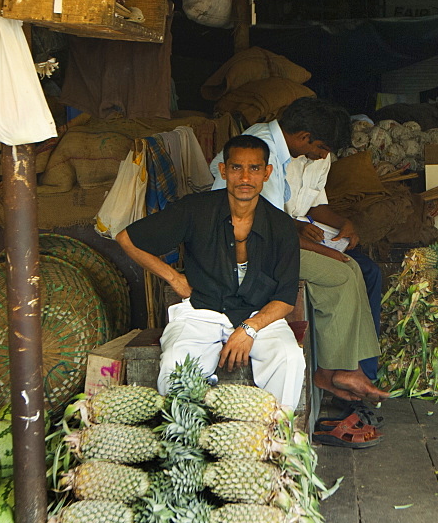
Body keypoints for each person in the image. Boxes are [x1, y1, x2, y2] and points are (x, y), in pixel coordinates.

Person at [210, 98, 388, 443]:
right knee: (340, 273)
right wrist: (324, 252)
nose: (321, 156)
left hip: (263, 242)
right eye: (319, 147)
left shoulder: (275, 146)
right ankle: (332, 372)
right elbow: (271, 229)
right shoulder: (262, 150)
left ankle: (340, 369)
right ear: (304, 137)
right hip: (245, 250)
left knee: (351, 269)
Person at [117, 135, 305, 410]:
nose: (245, 176)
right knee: (176, 362)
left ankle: (275, 440)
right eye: (237, 167)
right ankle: (189, 445)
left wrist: (248, 329)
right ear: (223, 170)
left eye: (254, 168)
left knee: (289, 357)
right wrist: (173, 277)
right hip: (201, 311)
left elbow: (286, 298)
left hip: (258, 315)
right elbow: (126, 238)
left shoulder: (281, 226)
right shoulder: (196, 209)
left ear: (267, 173)